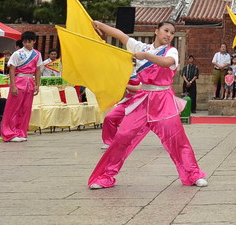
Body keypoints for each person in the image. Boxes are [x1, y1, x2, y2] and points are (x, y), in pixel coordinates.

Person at [88, 20, 207, 189]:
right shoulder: (141, 47)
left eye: (172, 33)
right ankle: (105, 176)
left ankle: (193, 174)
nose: (169, 35)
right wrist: (99, 25)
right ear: (156, 31)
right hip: (142, 99)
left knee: (177, 139)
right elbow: (120, 35)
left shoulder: (171, 51)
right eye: (166, 30)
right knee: (122, 137)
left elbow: (166, 63)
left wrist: (146, 57)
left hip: (163, 100)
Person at [0, 31, 42, 142]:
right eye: (25, 42)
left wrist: (38, 84)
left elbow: (38, 70)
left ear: (34, 41)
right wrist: (13, 86)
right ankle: (10, 133)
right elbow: (12, 70)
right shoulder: (17, 53)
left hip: (30, 82)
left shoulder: (37, 54)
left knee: (26, 109)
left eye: (29, 41)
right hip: (19, 81)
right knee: (13, 108)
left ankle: (21, 132)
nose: (27, 44)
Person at [101, 67, 143, 149]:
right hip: (128, 101)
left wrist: (125, 85)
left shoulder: (144, 70)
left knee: (157, 123)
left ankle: (171, 140)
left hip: (142, 102)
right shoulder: (125, 72)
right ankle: (110, 141)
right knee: (109, 117)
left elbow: (139, 89)